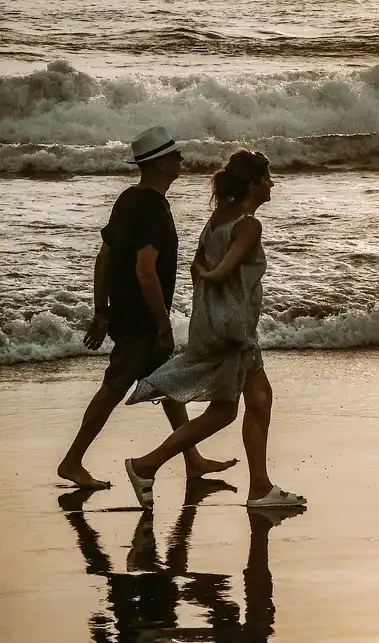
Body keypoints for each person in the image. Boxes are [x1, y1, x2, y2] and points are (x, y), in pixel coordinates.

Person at [123, 149, 306, 510]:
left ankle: (259, 487)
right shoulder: (249, 224)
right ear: (253, 184)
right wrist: (215, 276)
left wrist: (207, 281)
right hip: (233, 328)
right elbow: (222, 268)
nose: (272, 184)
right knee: (232, 409)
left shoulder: (216, 220)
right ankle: (147, 465)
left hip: (213, 323)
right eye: (267, 177)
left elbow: (196, 266)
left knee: (255, 400)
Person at [57, 126, 237, 489]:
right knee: (113, 387)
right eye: (174, 157)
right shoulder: (152, 209)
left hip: (125, 312)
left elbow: (104, 256)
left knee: (168, 384)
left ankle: (193, 458)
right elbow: (145, 270)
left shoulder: (128, 199)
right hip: (141, 319)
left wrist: (102, 310)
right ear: (158, 165)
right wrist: (162, 325)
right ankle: (72, 461)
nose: (180, 161)